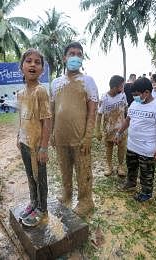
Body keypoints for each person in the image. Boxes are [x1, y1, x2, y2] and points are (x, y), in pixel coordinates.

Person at [51, 42, 99, 216]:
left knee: (83, 170)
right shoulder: (55, 83)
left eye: (79, 54)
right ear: (65, 58)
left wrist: (88, 136)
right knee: (64, 168)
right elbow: (53, 110)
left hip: (80, 138)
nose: (75, 57)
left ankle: (86, 201)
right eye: (72, 53)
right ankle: (67, 193)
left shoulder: (88, 81)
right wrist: (51, 134)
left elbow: (93, 111)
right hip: (61, 136)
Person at [114, 77, 156, 202]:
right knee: (131, 167)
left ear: (146, 92)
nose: (134, 97)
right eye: (133, 95)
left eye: (136, 95)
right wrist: (119, 133)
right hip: (132, 145)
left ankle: (146, 192)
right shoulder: (134, 104)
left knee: (146, 172)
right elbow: (127, 120)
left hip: (147, 148)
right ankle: (131, 183)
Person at [16, 49, 51, 227]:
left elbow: (47, 121)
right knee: (30, 176)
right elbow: (22, 117)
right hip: (24, 143)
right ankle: (33, 202)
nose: (32, 65)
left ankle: (42, 208)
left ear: (42, 69)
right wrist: (18, 137)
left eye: (37, 62)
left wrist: (44, 147)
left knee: (40, 177)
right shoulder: (20, 94)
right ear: (21, 66)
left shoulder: (41, 91)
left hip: (37, 146)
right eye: (28, 61)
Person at [96, 75, 128, 177]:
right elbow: (99, 114)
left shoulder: (123, 95)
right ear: (115, 87)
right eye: (121, 86)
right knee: (109, 147)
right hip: (109, 128)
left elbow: (126, 110)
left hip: (121, 128)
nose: (123, 88)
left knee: (122, 147)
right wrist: (98, 130)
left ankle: (120, 166)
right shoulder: (104, 98)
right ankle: (109, 165)